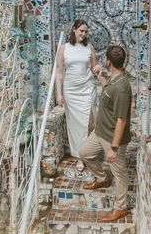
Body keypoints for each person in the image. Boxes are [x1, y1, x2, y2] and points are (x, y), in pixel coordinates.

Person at [79, 45, 132, 222]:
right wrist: (100, 77)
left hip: (112, 139)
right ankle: (102, 178)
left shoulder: (123, 88)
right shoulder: (115, 80)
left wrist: (114, 148)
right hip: (100, 132)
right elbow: (109, 93)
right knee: (85, 153)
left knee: (119, 172)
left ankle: (120, 208)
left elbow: (121, 120)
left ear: (108, 62)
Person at [56, 19, 99, 172]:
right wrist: (59, 93)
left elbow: (94, 66)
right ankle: (80, 157)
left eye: (86, 31)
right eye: (81, 30)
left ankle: (87, 154)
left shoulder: (89, 48)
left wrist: (97, 68)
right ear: (74, 30)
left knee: (87, 123)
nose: (83, 33)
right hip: (71, 91)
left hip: (86, 88)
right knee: (74, 125)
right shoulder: (64, 48)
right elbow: (59, 73)